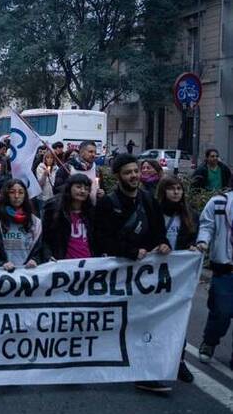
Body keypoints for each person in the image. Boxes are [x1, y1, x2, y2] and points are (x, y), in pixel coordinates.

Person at [93, 153, 171, 394]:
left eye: (136, 171)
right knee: (120, 324)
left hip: (144, 277)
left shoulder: (148, 201)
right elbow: (99, 239)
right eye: (128, 173)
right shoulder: (108, 204)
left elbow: (158, 231)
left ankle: (145, 373)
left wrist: (164, 244)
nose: (134, 176)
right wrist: (129, 251)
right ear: (118, 176)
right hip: (118, 276)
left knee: (145, 324)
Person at [156, 175, 197, 383]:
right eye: (171, 188)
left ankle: (179, 361)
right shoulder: (154, 212)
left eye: (179, 189)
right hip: (155, 275)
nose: (176, 192)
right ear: (163, 191)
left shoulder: (190, 214)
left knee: (178, 318)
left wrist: (194, 247)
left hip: (179, 276)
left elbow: (194, 237)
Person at [194, 184, 233, 370]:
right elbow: (207, 225)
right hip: (225, 268)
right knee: (221, 311)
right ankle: (209, 341)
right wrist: (203, 242)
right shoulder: (218, 203)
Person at [0, 180, 43, 270]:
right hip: (1, 273)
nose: (16, 196)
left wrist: (35, 260)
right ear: (6, 194)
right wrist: (1, 264)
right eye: (12, 192)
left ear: (25, 195)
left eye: (21, 192)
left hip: (26, 272)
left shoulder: (35, 222)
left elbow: (40, 249)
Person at [41, 174, 98, 260]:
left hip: (89, 263)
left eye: (86, 189)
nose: (83, 191)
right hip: (64, 263)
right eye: (78, 187)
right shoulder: (55, 211)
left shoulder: (91, 213)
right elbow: (45, 238)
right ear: (69, 188)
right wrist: (48, 255)